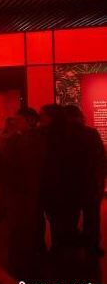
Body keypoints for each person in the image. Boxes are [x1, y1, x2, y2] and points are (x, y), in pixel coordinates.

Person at [0, 107, 46, 279]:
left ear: (30, 121)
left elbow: (22, 165)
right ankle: (20, 265)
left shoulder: (34, 139)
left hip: (23, 189)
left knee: (22, 229)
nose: (14, 123)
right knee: (17, 228)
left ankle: (22, 268)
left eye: (18, 120)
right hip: (17, 188)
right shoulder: (22, 138)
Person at [63, 104, 107, 256]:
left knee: (70, 216)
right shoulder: (90, 133)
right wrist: (100, 180)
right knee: (92, 217)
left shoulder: (62, 135)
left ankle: (71, 244)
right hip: (90, 182)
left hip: (69, 183)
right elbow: (100, 158)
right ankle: (92, 245)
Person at [39, 104, 82, 251]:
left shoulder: (47, 135)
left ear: (52, 117)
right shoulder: (73, 133)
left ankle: (60, 249)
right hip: (70, 184)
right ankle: (67, 248)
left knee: (58, 219)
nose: (40, 119)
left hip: (56, 185)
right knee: (67, 219)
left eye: (43, 115)